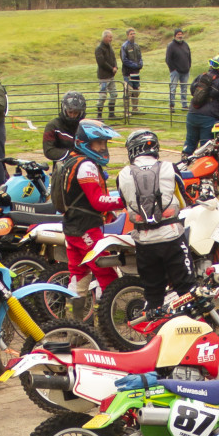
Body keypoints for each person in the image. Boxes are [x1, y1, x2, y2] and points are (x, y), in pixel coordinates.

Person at [116, 128, 191, 314]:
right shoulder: (170, 168)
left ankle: (155, 334)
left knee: (153, 294)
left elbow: (126, 203)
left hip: (144, 241)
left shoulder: (122, 174)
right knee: (188, 291)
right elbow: (183, 201)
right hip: (172, 236)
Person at [56, 120, 124, 307]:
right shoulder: (86, 166)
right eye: (99, 143)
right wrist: (125, 201)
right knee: (105, 271)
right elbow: (97, 201)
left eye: (104, 143)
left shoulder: (70, 159)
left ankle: (73, 323)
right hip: (86, 228)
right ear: (85, 142)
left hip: (72, 226)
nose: (103, 148)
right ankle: (107, 319)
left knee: (79, 274)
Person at [42, 90, 87, 163]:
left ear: (81, 112)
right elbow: (49, 150)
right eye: (70, 112)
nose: (72, 115)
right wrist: (71, 155)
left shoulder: (86, 126)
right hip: (63, 167)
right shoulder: (53, 126)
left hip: (86, 164)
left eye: (76, 113)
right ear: (64, 109)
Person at [165, 27, 192, 112]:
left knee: (184, 89)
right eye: (178, 34)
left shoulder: (185, 44)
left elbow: (189, 57)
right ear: (175, 36)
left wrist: (188, 66)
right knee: (173, 88)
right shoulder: (171, 46)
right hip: (175, 72)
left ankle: (184, 105)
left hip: (185, 71)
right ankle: (172, 105)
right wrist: (173, 69)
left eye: (181, 34)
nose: (180, 36)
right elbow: (168, 59)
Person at [94, 30, 119, 120]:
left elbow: (113, 58)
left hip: (111, 76)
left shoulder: (109, 47)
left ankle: (111, 114)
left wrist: (115, 66)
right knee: (103, 96)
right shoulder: (99, 49)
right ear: (104, 37)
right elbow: (101, 62)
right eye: (109, 37)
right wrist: (111, 68)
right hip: (103, 77)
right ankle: (99, 115)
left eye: (111, 37)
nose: (111, 39)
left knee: (114, 94)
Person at [120, 27, 143, 117]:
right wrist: (133, 65)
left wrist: (140, 64)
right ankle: (126, 110)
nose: (133, 35)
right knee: (128, 91)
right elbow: (124, 59)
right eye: (131, 34)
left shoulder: (137, 46)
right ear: (127, 35)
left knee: (136, 91)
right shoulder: (124, 46)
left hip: (136, 73)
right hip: (128, 73)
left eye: (134, 33)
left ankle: (135, 108)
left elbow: (140, 57)